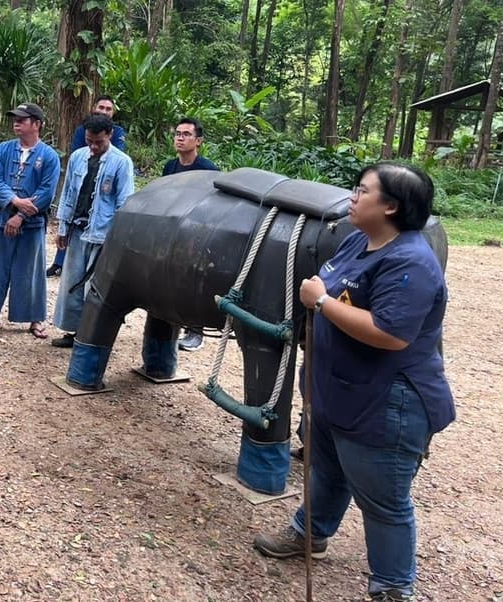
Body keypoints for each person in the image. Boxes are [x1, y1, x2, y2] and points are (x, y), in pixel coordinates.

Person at [254, 163, 455, 602]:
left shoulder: (411, 262)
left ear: (391, 206)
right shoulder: (355, 242)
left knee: (383, 501)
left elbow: (390, 333)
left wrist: (321, 301)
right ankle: (311, 533)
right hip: (339, 388)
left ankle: (392, 586)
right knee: (327, 469)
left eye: (362, 190)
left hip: (387, 401)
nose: (353, 195)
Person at [0, 102, 60, 338]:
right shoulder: (3, 150)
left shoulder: (49, 156)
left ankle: (35, 318)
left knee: (31, 270)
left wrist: (21, 215)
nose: (17, 122)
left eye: (23, 119)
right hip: (2, 217)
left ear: (37, 124)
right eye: (15, 118)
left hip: (32, 223)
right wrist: (14, 201)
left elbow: (47, 192)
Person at [51, 114, 135, 348]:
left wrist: (117, 239)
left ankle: (92, 337)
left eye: (98, 141)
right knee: (72, 281)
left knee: (95, 288)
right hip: (78, 229)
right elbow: (68, 193)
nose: (94, 146)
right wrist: (63, 227)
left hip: (103, 234)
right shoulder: (78, 157)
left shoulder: (122, 162)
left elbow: (124, 203)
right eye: (89, 141)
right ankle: (72, 331)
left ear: (109, 135)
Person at [47, 95, 127, 278]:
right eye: (101, 107)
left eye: (109, 108)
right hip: (80, 199)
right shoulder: (80, 140)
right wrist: (61, 227)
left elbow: (123, 200)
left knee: (94, 281)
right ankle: (59, 262)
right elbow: (76, 155)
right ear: (93, 108)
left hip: (103, 220)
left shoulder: (121, 155)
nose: (104, 111)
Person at [162, 117, 219, 352]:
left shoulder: (209, 170)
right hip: (172, 233)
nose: (180, 138)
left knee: (194, 282)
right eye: (177, 133)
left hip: (198, 236)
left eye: (186, 134)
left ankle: (196, 330)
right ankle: (171, 323)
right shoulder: (169, 167)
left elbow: (216, 206)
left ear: (198, 141)